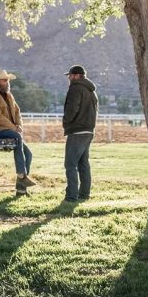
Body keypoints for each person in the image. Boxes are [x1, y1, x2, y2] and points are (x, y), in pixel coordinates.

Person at [0, 69, 34, 196]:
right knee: (17, 137)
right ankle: (21, 174)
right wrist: (14, 128)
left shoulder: (9, 95)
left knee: (28, 154)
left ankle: (21, 190)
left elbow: (17, 111)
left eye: (6, 80)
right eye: (2, 81)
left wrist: (19, 125)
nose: (5, 83)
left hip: (10, 130)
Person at [62, 65, 98, 203]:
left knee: (70, 164)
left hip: (77, 130)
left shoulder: (75, 88)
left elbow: (72, 108)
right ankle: (84, 194)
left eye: (70, 75)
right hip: (89, 130)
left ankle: (71, 197)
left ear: (77, 76)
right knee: (83, 164)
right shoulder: (91, 91)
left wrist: (66, 121)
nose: (69, 78)